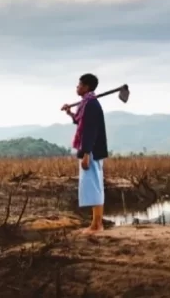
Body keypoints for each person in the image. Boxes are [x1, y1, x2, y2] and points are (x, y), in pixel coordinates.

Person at [62, 73, 108, 234]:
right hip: (90, 150)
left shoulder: (91, 105)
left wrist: (87, 153)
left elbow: (90, 130)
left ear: (86, 87)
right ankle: (96, 223)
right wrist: (69, 113)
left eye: (79, 85)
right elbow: (81, 122)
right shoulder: (86, 104)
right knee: (93, 185)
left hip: (92, 151)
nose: (77, 87)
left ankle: (97, 225)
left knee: (95, 186)